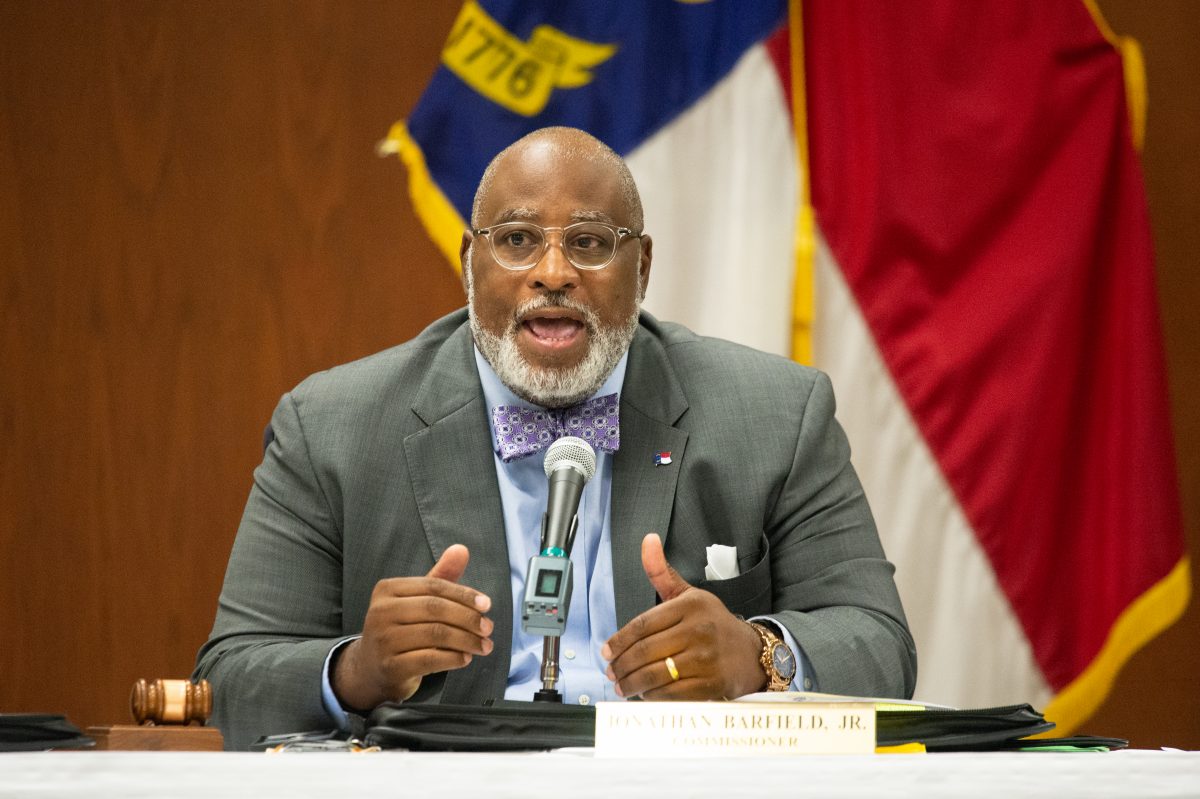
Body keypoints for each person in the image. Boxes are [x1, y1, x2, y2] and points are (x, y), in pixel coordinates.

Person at [194, 126, 916, 750]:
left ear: (643, 268)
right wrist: (356, 670)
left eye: (591, 242)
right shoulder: (330, 425)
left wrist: (758, 655)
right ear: (468, 265)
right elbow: (226, 680)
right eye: (515, 240)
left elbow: (881, 645)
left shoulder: (776, 412)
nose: (553, 272)